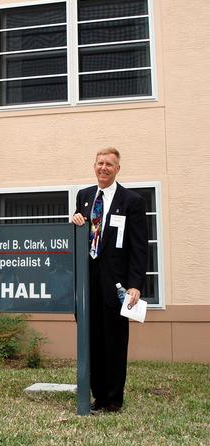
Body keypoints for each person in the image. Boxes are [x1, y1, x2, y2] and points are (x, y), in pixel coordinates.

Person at [72, 147, 148, 413]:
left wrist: (136, 283)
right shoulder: (84, 197)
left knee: (114, 342)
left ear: (117, 169)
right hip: (87, 282)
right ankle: (98, 395)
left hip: (116, 285)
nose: (103, 168)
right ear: (94, 165)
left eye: (109, 164)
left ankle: (113, 400)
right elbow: (79, 237)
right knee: (91, 340)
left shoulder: (132, 201)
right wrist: (75, 221)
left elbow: (140, 247)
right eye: (100, 163)